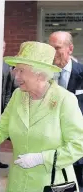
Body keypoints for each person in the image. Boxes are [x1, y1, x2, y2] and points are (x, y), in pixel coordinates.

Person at [0, 41, 83, 192]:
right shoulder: (18, 96)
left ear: (40, 75)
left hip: (52, 183)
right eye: (16, 69)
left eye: (21, 70)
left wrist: (41, 158)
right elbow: (0, 130)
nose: (15, 74)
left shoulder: (64, 100)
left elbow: (78, 145)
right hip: (19, 182)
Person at [49, 31, 83, 189]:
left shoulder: (81, 73)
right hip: (50, 147)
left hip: (77, 149)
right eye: (50, 48)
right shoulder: (44, 75)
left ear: (70, 48)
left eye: (57, 48)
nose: (53, 53)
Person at [0, 40, 14, 169]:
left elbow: (8, 89)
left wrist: (6, 107)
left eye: (4, 47)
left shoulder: (7, 66)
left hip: (2, 105)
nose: (2, 49)